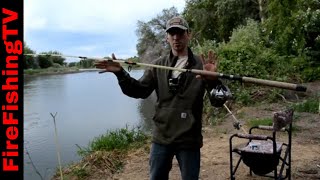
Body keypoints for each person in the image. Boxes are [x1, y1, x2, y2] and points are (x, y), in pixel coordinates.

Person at [95, 16, 226, 180]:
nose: (176, 38)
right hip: (161, 136)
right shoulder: (158, 65)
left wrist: (213, 81)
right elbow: (139, 91)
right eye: (172, 34)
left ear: (188, 35)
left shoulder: (202, 65)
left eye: (180, 33)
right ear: (167, 37)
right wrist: (120, 73)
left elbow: (218, 102)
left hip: (189, 138)